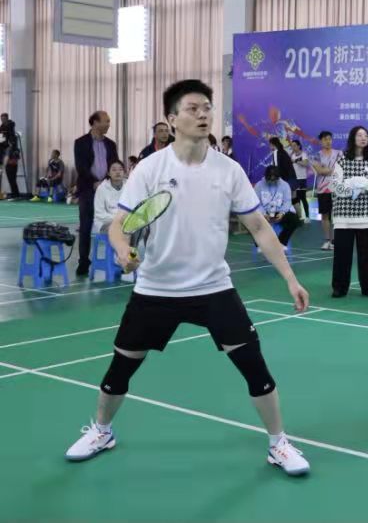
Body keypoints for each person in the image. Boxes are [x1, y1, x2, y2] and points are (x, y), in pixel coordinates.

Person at [64, 79, 310, 476]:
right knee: (121, 367)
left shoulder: (228, 170)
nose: (203, 114)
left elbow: (260, 228)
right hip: (156, 288)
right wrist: (122, 250)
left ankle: (278, 443)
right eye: (193, 109)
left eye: (207, 108)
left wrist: (290, 279)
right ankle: (102, 431)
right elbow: (119, 225)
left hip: (213, 287)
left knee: (254, 366)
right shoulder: (150, 168)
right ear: (172, 119)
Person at [330, 125, 368, 298]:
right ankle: (339, 287)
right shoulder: (342, 160)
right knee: (342, 254)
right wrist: (357, 186)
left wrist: (353, 182)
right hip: (343, 216)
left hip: (366, 215)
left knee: (366, 255)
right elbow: (336, 186)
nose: (363, 138)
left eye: (366, 135)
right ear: (352, 138)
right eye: (359, 135)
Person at [73, 111, 119, 276]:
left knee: (114, 224)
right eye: (106, 121)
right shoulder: (80, 143)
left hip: (107, 190)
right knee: (85, 226)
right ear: (95, 122)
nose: (108, 124)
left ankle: (118, 260)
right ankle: (83, 262)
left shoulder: (111, 144)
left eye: (109, 121)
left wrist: (108, 181)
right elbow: (81, 166)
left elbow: (114, 164)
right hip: (88, 190)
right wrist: (94, 182)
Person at [254, 165, 301, 248]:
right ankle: (260, 244)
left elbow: (287, 202)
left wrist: (282, 213)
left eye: (274, 179)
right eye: (270, 179)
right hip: (265, 211)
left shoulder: (285, 185)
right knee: (251, 219)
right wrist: (264, 214)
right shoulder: (259, 185)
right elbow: (256, 203)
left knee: (294, 220)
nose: (272, 181)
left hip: (280, 211)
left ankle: (281, 242)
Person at [311, 131, 342, 250]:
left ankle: (335, 240)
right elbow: (319, 171)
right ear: (321, 141)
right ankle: (327, 240)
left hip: (337, 188)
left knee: (337, 216)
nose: (328, 141)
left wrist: (326, 169)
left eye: (329, 139)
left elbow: (341, 169)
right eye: (325, 139)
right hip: (323, 189)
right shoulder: (316, 156)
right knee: (325, 216)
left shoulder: (339, 153)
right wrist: (332, 169)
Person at [93, 160, 126, 232]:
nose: (118, 172)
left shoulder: (129, 186)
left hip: (126, 220)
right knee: (119, 229)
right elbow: (100, 214)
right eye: (114, 170)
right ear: (108, 173)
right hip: (105, 222)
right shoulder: (102, 188)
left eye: (120, 169)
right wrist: (119, 219)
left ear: (124, 172)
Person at [289, 139, 310, 222]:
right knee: (296, 199)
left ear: (298, 146)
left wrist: (295, 161)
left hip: (302, 179)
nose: (293, 147)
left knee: (303, 198)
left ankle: (307, 217)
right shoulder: (291, 155)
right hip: (294, 180)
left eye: (294, 145)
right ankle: (299, 217)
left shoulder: (304, 154)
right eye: (292, 146)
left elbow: (305, 163)